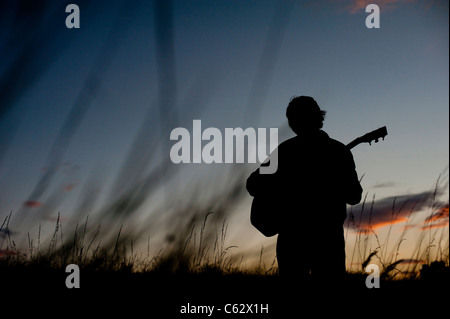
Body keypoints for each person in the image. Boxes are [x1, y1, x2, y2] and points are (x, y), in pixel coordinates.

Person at [246, 96, 362, 284]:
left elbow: (253, 184)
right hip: (328, 240)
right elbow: (354, 196)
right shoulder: (339, 151)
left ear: (293, 122)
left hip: (292, 239)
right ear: (318, 117)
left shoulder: (284, 152)